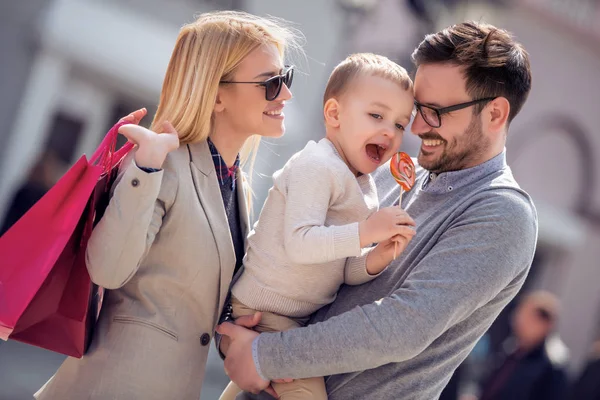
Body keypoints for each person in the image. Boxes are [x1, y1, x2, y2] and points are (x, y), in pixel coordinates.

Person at [218, 21, 539, 400]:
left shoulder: (503, 213)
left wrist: (263, 354)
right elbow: (298, 255)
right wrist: (238, 327)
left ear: (495, 115)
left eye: (435, 111)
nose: (416, 127)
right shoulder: (391, 171)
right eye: (418, 108)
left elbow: (400, 327)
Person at [35, 10, 301, 400]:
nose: (286, 94)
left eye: (286, 78)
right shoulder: (161, 162)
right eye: (271, 83)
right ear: (217, 95)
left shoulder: (236, 182)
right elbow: (108, 270)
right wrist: (146, 167)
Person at [219, 53, 417, 400]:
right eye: (376, 115)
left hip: (293, 318)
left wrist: (377, 256)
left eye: (400, 124)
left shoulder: (364, 187)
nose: (389, 131)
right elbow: (302, 243)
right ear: (334, 114)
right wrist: (367, 231)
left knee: (247, 387)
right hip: (265, 311)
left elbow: (340, 268)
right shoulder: (317, 165)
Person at [471, 291, 569, 400]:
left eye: (527, 316)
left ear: (545, 323)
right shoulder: (510, 350)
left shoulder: (552, 368)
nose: (518, 320)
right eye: (520, 312)